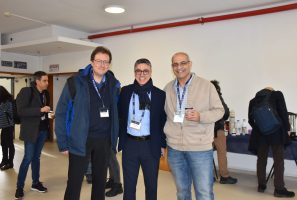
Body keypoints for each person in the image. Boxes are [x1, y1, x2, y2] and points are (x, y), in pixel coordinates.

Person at [55, 46, 121, 200]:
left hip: (103, 140)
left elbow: (116, 113)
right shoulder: (75, 82)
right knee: (74, 182)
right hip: (80, 139)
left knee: (99, 182)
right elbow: (61, 112)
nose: (102, 65)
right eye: (99, 61)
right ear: (92, 62)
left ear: (110, 64)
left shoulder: (113, 84)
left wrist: (114, 138)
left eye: (106, 62)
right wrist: (63, 143)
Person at [164, 52, 224, 200]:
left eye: (183, 63)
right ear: (172, 67)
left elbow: (220, 111)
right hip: (175, 149)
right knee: (182, 192)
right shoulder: (168, 88)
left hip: (200, 149)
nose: (179, 67)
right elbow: (163, 116)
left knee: (204, 193)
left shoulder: (206, 85)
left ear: (190, 64)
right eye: (175, 64)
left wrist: (201, 116)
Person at [118, 58, 166, 200]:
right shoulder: (125, 92)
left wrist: (163, 144)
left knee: (151, 186)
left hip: (150, 146)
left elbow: (162, 121)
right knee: (129, 186)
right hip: (130, 145)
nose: (142, 74)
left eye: (145, 71)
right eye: (138, 71)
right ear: (134, 72)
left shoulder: (159, 95)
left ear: (151, 72)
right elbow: (119, 115)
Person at [248, 87, 295, 198]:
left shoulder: (253, 101)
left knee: (261, 159)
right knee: (278, 160)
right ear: (271, 90)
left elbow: (250, 120)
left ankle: (261, 185)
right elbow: (283, 112)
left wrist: (260, 128)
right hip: (276, 132)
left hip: (260, 134)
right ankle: (279, 189)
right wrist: (287, 129)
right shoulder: (277, 95)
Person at [14, 71, 51, 199]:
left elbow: (44, 111)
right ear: (37, 81)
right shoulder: (26, 92)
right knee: (28, 158)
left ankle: (35, 183)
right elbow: (21, 111)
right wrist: (40, 110)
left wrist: (49, 114)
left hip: (42, 130)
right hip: (30, 131)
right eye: (45, 80)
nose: (47, 83)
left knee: (36, 157)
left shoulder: (46, 93)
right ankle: (19, 187)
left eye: (47, 80)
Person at [211, 80, 238, 184]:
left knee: (206, 154)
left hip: (207, 130)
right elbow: (226, 112)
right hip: (218, 129)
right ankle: (224, 176)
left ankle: (208, 176)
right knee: (221, 152)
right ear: (217, 88)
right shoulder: (217, 95)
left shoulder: (204, 96)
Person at [0, 86, 15, 170]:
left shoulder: (7, 102)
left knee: (9, 144)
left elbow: (1, 111)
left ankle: (10, 162)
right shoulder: (3, 101)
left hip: (9, 126)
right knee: (3, 144)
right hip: (4, 126)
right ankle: (4, 160)